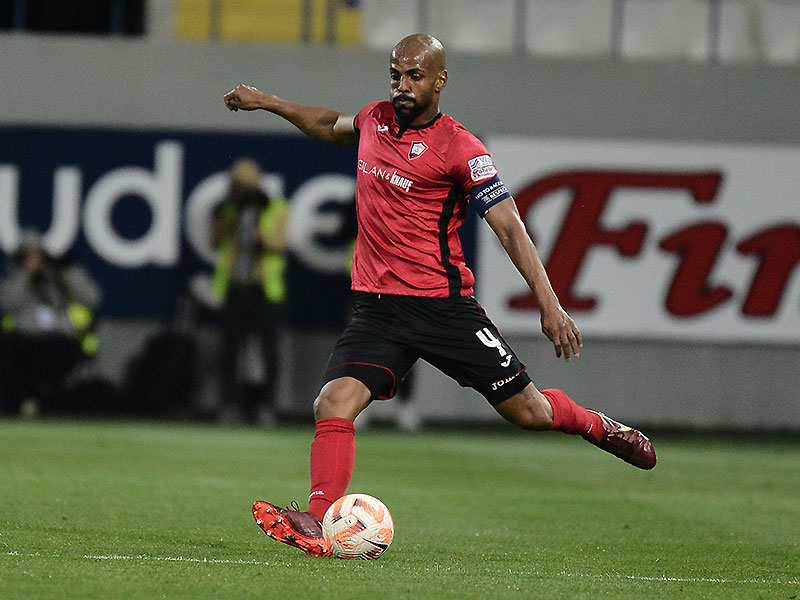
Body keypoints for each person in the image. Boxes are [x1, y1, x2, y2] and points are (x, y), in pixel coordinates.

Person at [223, 33, 656, 557]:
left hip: (443, 308)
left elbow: (509, 227)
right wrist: (268, 102)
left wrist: (550, 303)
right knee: (333, 403)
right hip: (378, 308)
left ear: (440, 80)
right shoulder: (375, 119)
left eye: (415, 76)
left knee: (530, 413)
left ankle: (595, 425)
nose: (403, 86)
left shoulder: (461, 148)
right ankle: (318, 521)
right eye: (396, 75)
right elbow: (330, 124)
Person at [211, 157, 289, 425]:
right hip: (235, 287)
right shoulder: (227, 210)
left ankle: (267, 406)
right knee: (230, 351)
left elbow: (281, 244)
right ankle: (229, 405)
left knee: (269, 352)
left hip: (264, 289)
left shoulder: (274, 208)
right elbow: (215, 241)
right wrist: (230, 215)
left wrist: (260, 237)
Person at [0, 231, 101, 417]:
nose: (35, 260)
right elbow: (7, 304)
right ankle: (23, 402)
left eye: (38, 255)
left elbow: (93, 298)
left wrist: (67, 274)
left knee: (52, 353)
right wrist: (26, 274)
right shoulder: (15, 278)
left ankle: (46, 402)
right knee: (8, 353)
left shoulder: (58, 277)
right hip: (23, 338)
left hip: (57, 337)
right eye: (28, 256)